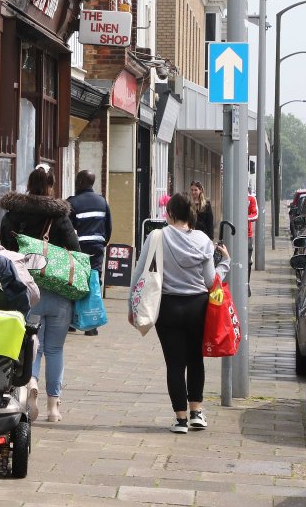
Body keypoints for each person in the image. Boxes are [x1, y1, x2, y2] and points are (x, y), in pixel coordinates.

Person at [131, 192, 230, 434]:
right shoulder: (203, 240)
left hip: (167, 307)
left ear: (171, 213)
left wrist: (131, 306)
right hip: (198, 307)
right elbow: (210, 281)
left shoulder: (157, 237)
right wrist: (225, 263)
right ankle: (197, 412)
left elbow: (139, 272)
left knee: (174, 364)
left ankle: (181, 419)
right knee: (196, 360)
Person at [0, 164, 80, 423]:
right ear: (50, 186)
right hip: (57, 291)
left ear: (28, 184)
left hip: (25, 289)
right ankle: (53, 407)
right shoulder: (60, 216)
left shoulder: (13, 214)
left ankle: (30, 384)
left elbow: (4, 248)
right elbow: (75, 249)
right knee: (54, 348)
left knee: (28, 345)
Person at [67, 169, 112, 337]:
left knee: (73, 282)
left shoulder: (72, 203)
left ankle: (72, 322)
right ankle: (91, 326)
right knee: (93, 282)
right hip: (96, 248)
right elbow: (109, 227)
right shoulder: (102, 202)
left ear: (79, 182)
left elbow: (67, 229)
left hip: (77, 249)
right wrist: (101, 243)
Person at [247, 189, 259, 297]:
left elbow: (255, 215)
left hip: (247, 235)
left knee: (248, 262)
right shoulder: (232, 194)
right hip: (233, 235)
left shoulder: (251, 198)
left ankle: (246, 284)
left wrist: (244, 218)